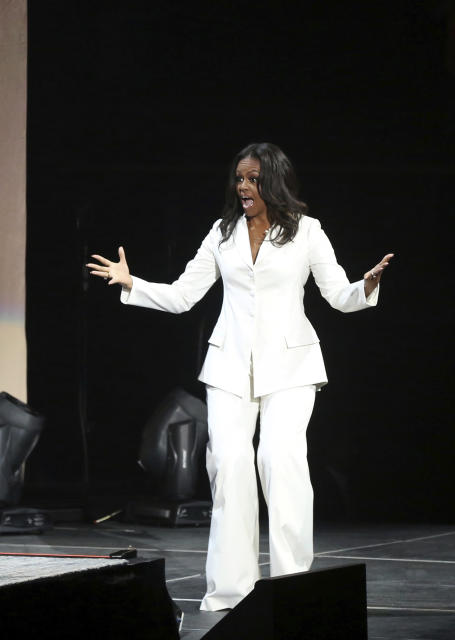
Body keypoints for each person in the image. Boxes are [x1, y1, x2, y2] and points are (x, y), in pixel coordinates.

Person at [87, 142, 392, 610]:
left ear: (274, 182)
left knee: (278, 459)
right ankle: (232, 590)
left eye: (252, 179)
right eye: (239, 178)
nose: (243, 187)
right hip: (230, 366)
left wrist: (365, 286)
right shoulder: (221, 232)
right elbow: (184, 295)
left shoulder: (307, 232)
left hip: (291, 366)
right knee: (229, 468)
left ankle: (292, 587)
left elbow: (338, 295)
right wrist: (133, 284)